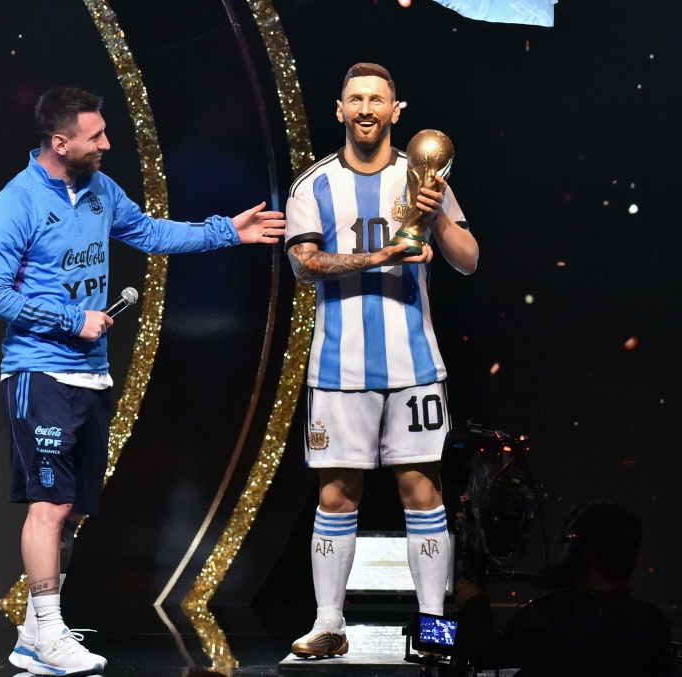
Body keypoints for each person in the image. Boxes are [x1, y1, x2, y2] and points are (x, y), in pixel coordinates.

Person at [0, 87, 286, 676]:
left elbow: (150, 233)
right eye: (96, 136)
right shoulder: (15, 204)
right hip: (37, 370)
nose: (107, 144)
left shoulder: (99, 191)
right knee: (51, 503)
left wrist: (228, 232)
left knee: (70, 511)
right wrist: (72, 319)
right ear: (60, 142)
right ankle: (45, 631)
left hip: (90, 375)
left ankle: (37, 632)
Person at [283, 63, 479, 658]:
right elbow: (304, 263)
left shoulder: (423, 178)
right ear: (339, 110)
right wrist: (380, 257)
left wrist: (438, 211)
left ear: (397, 111)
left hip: (413, 364)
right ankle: (328, 624)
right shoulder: (312, 185)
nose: (366, 108)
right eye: (355, 99)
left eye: (378, 99)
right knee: (337, 495)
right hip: (339, 369)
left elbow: (468, 260)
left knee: (423, 491)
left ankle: (432, 627)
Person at [455, 502, 673, 676]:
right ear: (636, 559)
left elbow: (489, 654)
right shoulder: (652, 621)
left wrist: (474, 604)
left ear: (576, 555)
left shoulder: (555, 614)